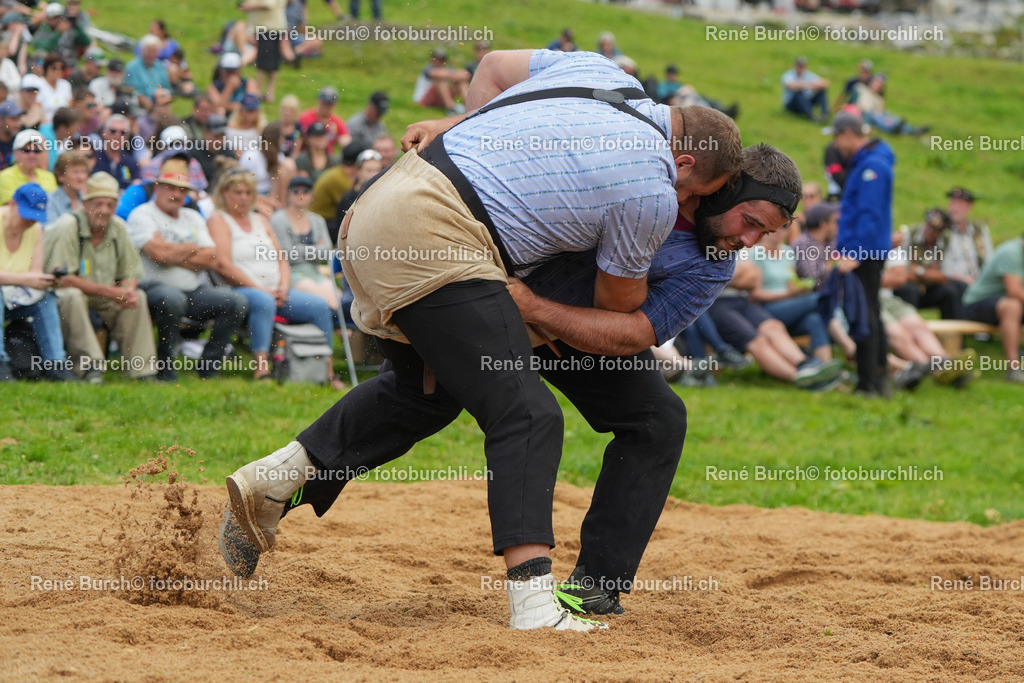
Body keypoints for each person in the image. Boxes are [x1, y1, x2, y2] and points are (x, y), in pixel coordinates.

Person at [223, 47, 741, 632]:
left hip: (384, 204)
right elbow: (614, 309)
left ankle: (276, 478)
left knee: (427, 391)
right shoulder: (651, 189)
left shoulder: (601, 73)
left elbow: (493, 64)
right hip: (442, 232)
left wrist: (462, 126)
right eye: (699, 193)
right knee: (526, 413)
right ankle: (534, 606)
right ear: (684, 162)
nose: (690, 205)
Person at [206, 170, 338, 383]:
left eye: (249, 192)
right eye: (237, 192)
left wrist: (284, 287)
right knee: (264, 301)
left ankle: (327, 370)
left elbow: (282, 258)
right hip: (240, 290)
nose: (243, 197)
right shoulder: (219, 220)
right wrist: (261, 289)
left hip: (277, 290)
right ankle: (262, 368)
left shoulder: (260, 220)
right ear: (224, 193)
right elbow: (223, 264)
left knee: (320, 306)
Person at [127, 169, 248, 381]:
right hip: (153, 287)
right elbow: (156, 254)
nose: (177, 194)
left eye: (183, 190)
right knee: (172, 300)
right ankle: (166, 368)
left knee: (235, 301)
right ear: (157, 188)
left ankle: (209, 367)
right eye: (170, 188)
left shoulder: (192, 216)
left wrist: (169, 250)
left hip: (193, 289)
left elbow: (211, 257)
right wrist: (192, 249)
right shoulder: (142, 215)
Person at [45, 172, 159, 382]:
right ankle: (90, 368)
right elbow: (64, 278)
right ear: (86, 204)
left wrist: (127, 291)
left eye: (110, 205)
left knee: (138, 298)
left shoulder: (118, 228)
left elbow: (130, 271)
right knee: (72, 296)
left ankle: (143, 370)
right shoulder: (68, 225)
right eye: (98, 204)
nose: (104, 210)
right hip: (67, 295)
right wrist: (113, 291)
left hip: (104, 293)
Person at [831, 110, 894, 397]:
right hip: (865, 251)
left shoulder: (872, 167)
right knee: (872, 312)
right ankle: (877, 377)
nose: (835, 145)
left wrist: (855, 253)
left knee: (864, 316)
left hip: (863, 254)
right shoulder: (870, 162)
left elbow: (869, 215)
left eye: (836, 137)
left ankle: (868, 383)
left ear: (847, 134)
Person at [0, 183, 76, 382]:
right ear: (13, 203)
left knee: (46, 299)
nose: (30, 222)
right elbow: (27, 278)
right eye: (26, 215)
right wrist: (26, 279)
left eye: (35, 217)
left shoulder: (36, 230)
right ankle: (1, 363)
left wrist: (44, 280)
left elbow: (34, 273)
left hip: (17, 298)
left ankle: (56, 364)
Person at [961, 235, 1024, 384]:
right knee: (1012, 306)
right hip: (976, 305)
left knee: (1013, 306)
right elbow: (1014, 291)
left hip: (1007, 305)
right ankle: (1013, 368)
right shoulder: (1011, 253)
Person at [270, 175, 337, 313]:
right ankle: (334, 330)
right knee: (320, 297)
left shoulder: (317, 220)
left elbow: (326, 251)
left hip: (315, 271)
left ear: (312, 195)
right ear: (288, 195)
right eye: (296, 191)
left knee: (336, 297)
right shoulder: (279, 220)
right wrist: (315, 250)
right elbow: (287, 254)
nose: (301, 195)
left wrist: (298, 248)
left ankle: (339, 331)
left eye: (305, 191)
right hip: (290, 273)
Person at [0, 129, 57, 206]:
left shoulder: (49, 176)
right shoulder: (5, 176)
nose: (32, 155)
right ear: (15, 152)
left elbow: (55, 206)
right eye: (26, 150)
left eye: (36, 151)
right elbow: (12, 209)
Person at [411, 48, 470, 116]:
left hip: (438, 99)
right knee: (440, 81)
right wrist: (454, 75)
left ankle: (469, 107)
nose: (437, 61)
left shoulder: (447, 69)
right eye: (435, 59)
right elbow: (438, 74)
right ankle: (450, 108)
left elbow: (465, 75)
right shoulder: (428, 68)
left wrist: (453, 75)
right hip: (424, 99)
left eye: (440, 60)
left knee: (461, 82)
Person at [92, 114, 141, 191]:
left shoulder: (131, 162)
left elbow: (137, 187)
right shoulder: (94, 158)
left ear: (127, 137)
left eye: (123, 132)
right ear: (104, 133)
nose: (118, 135)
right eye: (113, 131)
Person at [297, 86, 349, 155]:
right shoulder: (305, 118)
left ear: (334, 105)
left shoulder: (336, 122)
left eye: (329, 104)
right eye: (324, 103)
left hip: (328, 158)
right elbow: (297, 139)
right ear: (318, 101)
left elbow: (345, 139)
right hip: (307, 155)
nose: (326, 106)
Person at [124, 34, 171, 110]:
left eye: (155, 51)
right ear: (143, 51)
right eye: (150, 51)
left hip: (161, 103)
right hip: (141, 106)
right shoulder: (132, 67)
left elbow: (167, 87)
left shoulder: (159, 66)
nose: (152, 55)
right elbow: (133, 91)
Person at [45, 149, 89, 223]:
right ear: (60, 176)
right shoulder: (50, 201)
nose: (80, 177)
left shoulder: (88, 200)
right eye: (75, 172)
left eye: (83, 171)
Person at [781, 56, 829, 122]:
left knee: (821, 90)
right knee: (798, 93)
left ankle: (824, 114)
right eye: (799, 66)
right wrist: (808, 85)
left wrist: (818, 85)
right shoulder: (788, 75)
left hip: (806, 101)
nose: (801, 68)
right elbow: (791, 85)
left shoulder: (808, 75)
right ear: (795, 66)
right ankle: (811, 116)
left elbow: (825, 83)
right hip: (791, 104)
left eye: (802, 66)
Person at [294, 121, 336, 185]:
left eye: (323, 135)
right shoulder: (302, 160)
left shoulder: (333, 160)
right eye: (317, 136)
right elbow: (304, 184)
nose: (321, 138)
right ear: (308, 139)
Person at [0, 100, 23, 171]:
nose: (18, 124)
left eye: (19, 119)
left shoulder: (22, 140)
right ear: (1, 121)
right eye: (13, 119)